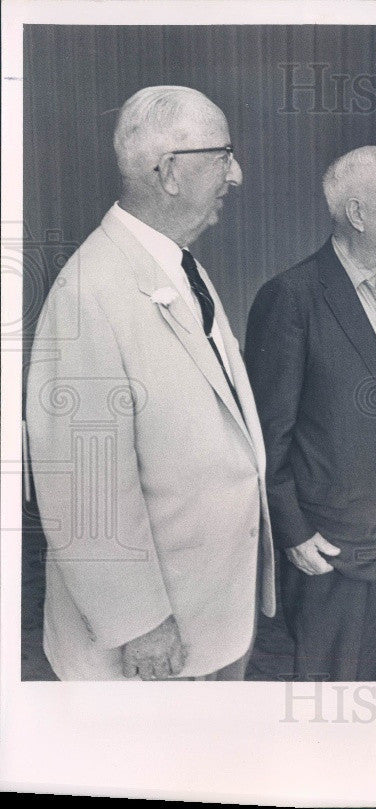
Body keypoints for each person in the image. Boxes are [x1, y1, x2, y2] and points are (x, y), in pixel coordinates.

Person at [25, 86, 275, 680]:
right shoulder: (90, 292)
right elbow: (82, 485)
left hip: (208, 620)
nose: (236, 175)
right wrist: (139, 624)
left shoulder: (178, 265)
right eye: (224, 155)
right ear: (168, 172)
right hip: (152, 647)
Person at [245, 146, 376, 681]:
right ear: (357, 214)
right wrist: (293, 532)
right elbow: (266, 436)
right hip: (332, 551)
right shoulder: (291, 298)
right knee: (332, 714)